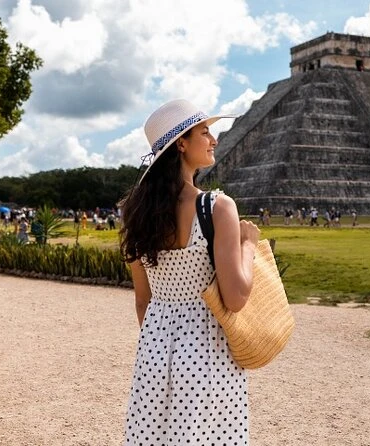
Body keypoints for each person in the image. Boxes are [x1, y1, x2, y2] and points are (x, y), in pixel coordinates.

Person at [119, 99, 258, 445]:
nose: (214, 139)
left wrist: (163, 340)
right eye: (205, 132)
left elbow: (142, 301)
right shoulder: (216, 207)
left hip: (154, 351)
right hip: (208, 351)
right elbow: (237, 297)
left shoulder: (135, 212)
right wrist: (249, 245)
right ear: (181, 143)